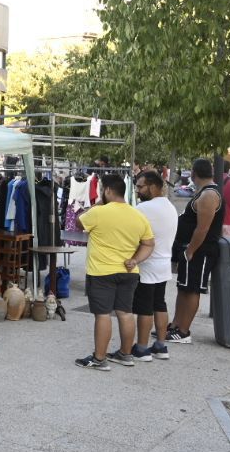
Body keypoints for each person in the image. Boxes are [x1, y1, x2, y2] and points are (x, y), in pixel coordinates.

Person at [74, 174, 154, 370]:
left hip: (101, 272)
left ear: (108, 190)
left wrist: (97, 204)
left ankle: (99, 359)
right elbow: (149, 243)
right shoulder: (138, 215)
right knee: (125, 313)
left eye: (102, 190)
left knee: (102, 314)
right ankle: (125, 354)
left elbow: (78, 222)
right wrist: (135, 259)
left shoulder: (99, 212)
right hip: (129, 271)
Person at [166, 158, 222, 344]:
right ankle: (175, 326)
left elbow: (202, 228)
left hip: (200, 250)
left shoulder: (209, 195)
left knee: (192, 289)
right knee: (183, 287)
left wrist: (190, 250)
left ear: (194, 173)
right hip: (191, 249)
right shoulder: (203, 193)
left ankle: (183, 331)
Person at [131, 170, 177, 362]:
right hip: (164, 262)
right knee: (159, 303)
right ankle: (160, 345)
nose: (137, 190)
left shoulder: (144, 208)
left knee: (144, 307)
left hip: (147, 264)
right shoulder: (170, 206)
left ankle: (142, 348)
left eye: (140, 187)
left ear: (153, 186)